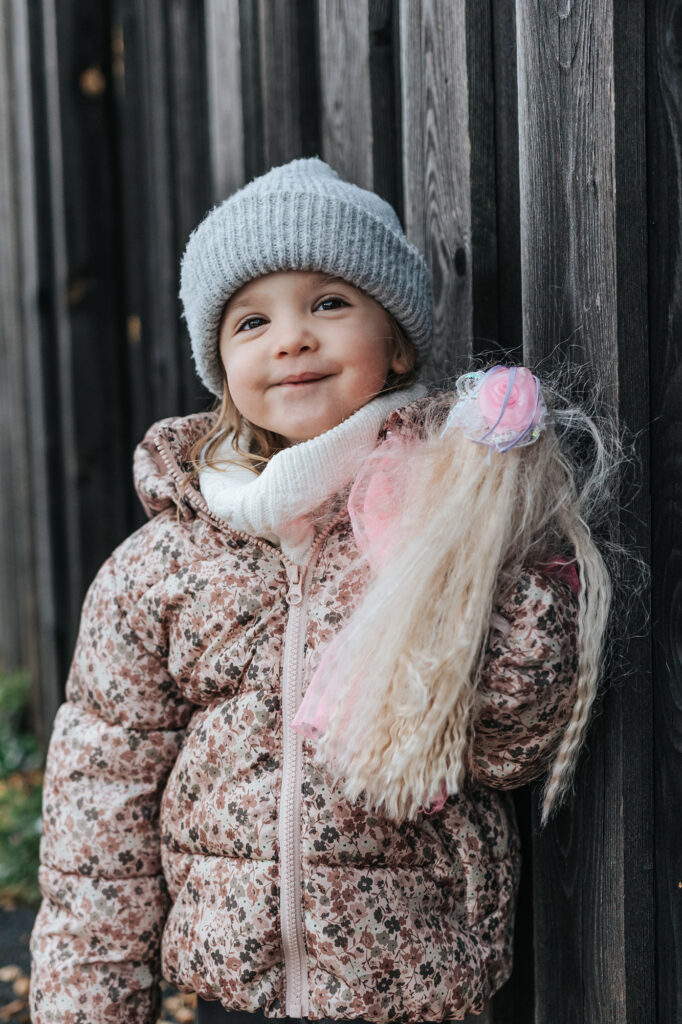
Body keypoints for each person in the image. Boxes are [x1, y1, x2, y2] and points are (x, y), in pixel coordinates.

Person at [29, 158, 612, 1024]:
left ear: (399, 340)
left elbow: (506, 752)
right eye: (251, 321)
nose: (292, 338)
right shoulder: (164, 564)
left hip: (415, 985)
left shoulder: (443, 518)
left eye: (329, 304)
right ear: (220, 365)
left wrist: (494, 525)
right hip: (231, 990)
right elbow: (98, 806)